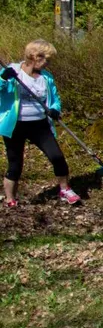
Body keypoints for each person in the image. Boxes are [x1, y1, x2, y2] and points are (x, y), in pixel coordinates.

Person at [1, 41, 79, 207]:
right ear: (35, 57)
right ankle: (10, 199)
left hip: (40, 125)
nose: (48, 64)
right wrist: (2, 78)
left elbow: (54, 99)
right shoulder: (13, 71)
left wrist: (55, 109)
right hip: (15, 126)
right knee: (15, 165)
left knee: (57, 157)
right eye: (47, 60)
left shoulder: (46, 77)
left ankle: (65, 190)